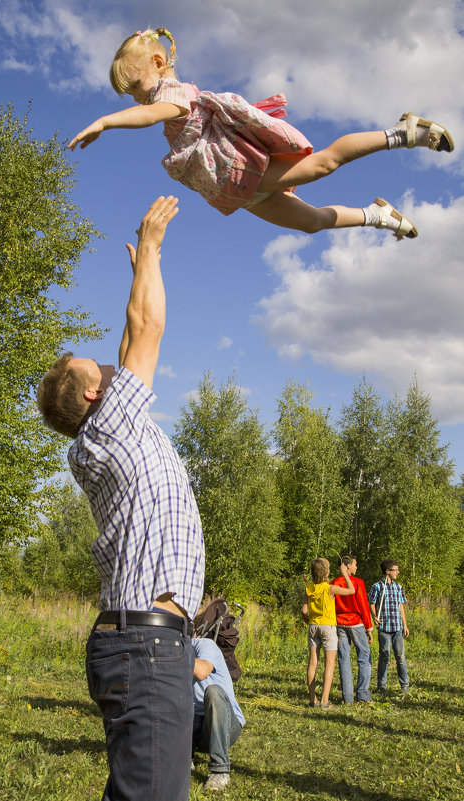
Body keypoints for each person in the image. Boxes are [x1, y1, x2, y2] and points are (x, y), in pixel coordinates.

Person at [37, 195, 205, 801]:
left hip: (144, 644)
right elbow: (146, 327)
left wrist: (144, 271)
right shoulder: (110, 428)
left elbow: (141, 326)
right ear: (90, 399)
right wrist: (152, 247)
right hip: (146, 646)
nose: (116, 370)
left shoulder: (108, 436)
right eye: (103, 372)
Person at [68, 27, 454, 240]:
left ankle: (403, 133)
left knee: (323, 164)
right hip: (243, 191)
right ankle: (378, 215)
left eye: (134, 86)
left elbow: (151, 115)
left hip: (246, 173)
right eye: (130, 94)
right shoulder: (160, 98)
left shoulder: (172, 95)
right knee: (313, 222)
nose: (136, 97)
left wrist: (106, 121)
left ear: (157, 62)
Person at [192, 636, 245, 792]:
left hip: (226, 726)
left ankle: (220, 770)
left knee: (213, 692)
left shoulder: (204, 645)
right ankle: (183, 757)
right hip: (195, 729)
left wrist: (176, 652)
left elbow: (202, 672)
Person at [301, 558, 355, 709]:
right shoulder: (330, 588)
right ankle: (325, 701)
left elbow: (304, 611)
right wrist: (344, 573)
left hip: (313, 627)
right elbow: (351, 590)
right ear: (326, 572)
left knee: (312, 663)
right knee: (329, 663)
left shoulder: (309, 588)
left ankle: (313, 700)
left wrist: (307, 618)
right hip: (328, 627)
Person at [330, 555, 373, 704]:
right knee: (364, 656)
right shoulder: (358, 582)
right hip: (355, 622)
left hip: (340, 623)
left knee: (344, 658)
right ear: (347, 566)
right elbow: (363, 605)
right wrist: (369, 628)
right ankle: (362, 694)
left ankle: (347, 697)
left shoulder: (334, 582)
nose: (356, 567)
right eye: (355, 565)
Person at [369, 559, 410, 696]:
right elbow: (372, 603)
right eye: (395, 570)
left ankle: (405, 685)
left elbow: (401, 607)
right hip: (384, 628)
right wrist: (374, 616)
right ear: (388, 571)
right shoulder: (378, 587)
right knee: (384, 656)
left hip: (397, 627)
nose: (398, 572)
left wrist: (405, 625)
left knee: (401, 657)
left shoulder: (398, 587)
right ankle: (381, 686)